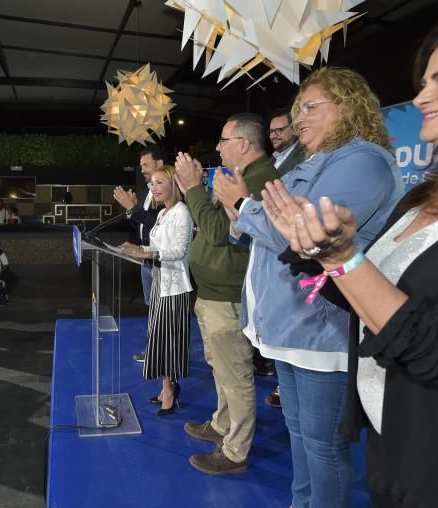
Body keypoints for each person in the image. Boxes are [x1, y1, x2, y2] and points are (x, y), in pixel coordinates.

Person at [262, 7, 438, 507]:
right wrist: (324, 255)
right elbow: (378, 300)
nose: (421, 97)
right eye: (424, 80)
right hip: (396, 447)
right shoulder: (426, 197)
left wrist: (344, 257)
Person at [214, 67, 404, 507]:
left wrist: (241, 205)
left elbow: (302, 234)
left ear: (349, 105)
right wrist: (252, 211)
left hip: (322, 329)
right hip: (288, 325)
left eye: (311, 107)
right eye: (298, 108)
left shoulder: (363, 160)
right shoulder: (310, 160)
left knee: (322, 446)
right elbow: (275, 224)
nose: (299, 117)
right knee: (300, 434)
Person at [173, 113, 280, 475]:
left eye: (223, 140)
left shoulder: (261, 178)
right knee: (221, 368)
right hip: (213, 293)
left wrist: (190, 188)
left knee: (235, 376)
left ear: (244, 144)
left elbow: (217, 230)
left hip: (229, 297)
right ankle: (221, 424)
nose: (217, 147)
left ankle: (235, 451)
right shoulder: (241, 177)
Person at [121, 165, 194, 417]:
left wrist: (147, 252)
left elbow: (179, 251)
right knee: (159, 341)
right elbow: (156, 245)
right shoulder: (164, 213)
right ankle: (167, 387)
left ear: (173, 184)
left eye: (159, 182)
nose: (153, 188)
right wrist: (136, 248)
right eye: (151, 184)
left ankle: (170, 391)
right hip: (159, 283)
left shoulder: (181, 213)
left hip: (174, 288)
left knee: (169, 344)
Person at [113, 146, 164, 362]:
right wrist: (131, 210)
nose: (142, 169)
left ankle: (163, 353)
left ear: (159, 164)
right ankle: (154, 349)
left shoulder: (166, 191)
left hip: (160, 258)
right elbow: (141, 221)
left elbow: (159, 223)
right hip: (145, 257)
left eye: (145, 165)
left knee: (162, 310)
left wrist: (133, 209)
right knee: (152, 307)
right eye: (141, 165)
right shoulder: (147, 190)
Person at [269, 107, 306, 176]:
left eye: (279, 130)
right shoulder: (271, 159)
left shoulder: (305, 155)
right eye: (271, 131)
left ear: (294, 129)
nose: (272, 136)